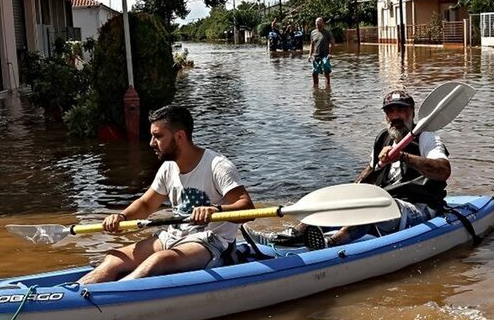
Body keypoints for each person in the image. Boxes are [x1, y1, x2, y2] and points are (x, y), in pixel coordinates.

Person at [77, 105, 255, 284]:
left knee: (158, 261)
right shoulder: (168, 167)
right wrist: (121, 216)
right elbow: (146, 205)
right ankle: (76, 292)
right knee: (114, 258)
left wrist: (215, 210)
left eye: (158, 136)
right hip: (173, 237)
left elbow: (247, 207)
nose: (151, 143)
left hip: (212, 242)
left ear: (179, 136)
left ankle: (109, 299)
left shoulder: (218, 166)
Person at [272, 89, 450, 248]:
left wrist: (403, 156)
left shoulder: (427, 137)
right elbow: (370, 171)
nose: (395, 115)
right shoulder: (383, 138)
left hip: (420, 207)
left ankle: (331, 243)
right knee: (343, 199)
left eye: (401, 110)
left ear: (411, 112)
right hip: (387, 203)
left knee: (373, 206)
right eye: (390, 111)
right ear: (385, 115)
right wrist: (348, 194)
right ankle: (297, 233)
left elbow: (443, 170)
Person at [309, 17, 334, 87]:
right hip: (316, 55)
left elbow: (332, 43)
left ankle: (328, 87)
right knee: (314, 72)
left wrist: (330, 54)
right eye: (317, 24)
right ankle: (315, 87)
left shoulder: (327, 32)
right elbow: (311, 44)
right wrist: (309, 55)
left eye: (319, 23)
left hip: (325, 55)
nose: (318, 25)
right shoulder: (313, 33)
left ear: (322, 24)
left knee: (326, 72)